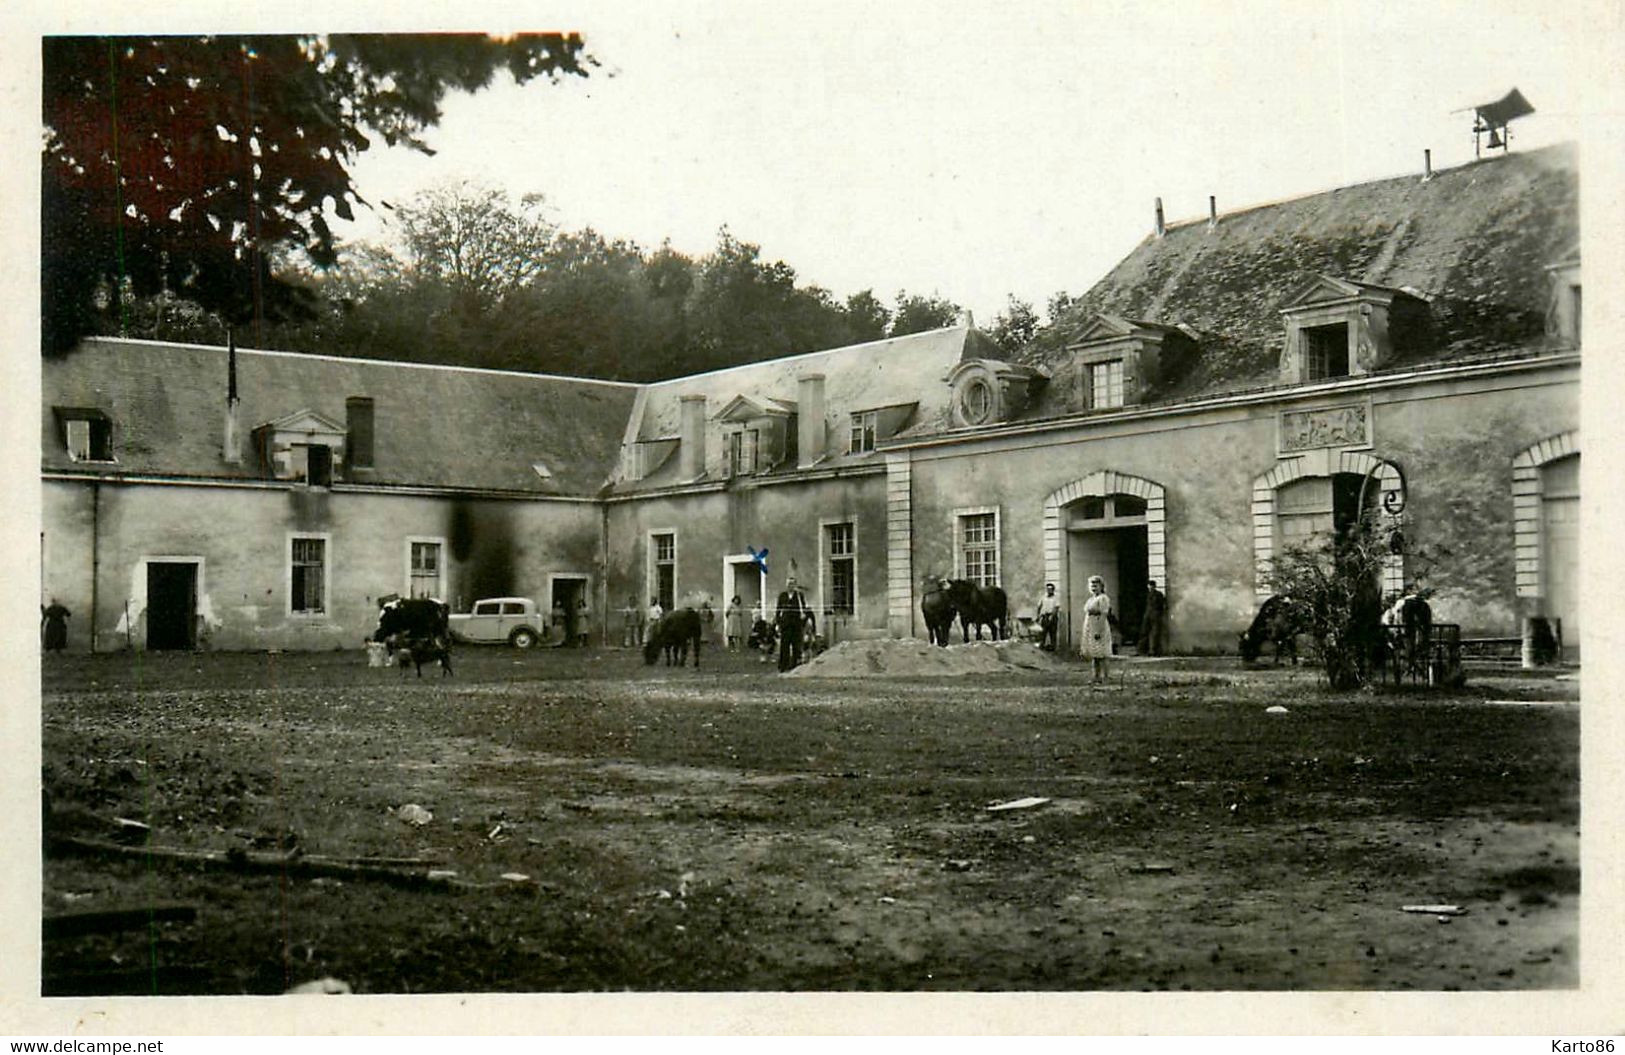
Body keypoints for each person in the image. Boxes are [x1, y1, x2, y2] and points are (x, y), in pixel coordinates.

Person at [1080, 575, 1113, 683]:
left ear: (1101, 586)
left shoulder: (1103, 598)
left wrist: (1098, 630)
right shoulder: (1091, 599)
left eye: (1096, 585)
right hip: (1090, 625)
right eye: (1092, 585)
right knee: (1094, 653)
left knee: (1102, 652)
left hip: (1099, 625)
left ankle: (1106, 676)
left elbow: (1104, 614)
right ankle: (1096, 676)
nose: (1094, 587)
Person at [774, 574, 809, 672]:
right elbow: (778, 610)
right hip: (785, 624)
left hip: (796, 624)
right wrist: (778, 623)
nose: (791, 586)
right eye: (789, 584)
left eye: (793, 584)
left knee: (795, 645)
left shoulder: (799, 596)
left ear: (795, 585)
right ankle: (783, 665)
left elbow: (803, 609)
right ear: (786, 585)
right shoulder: (782, 596)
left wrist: (803, 618)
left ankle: (794, 665)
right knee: (784, 645)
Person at [1140, 579, 1167, 656]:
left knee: (1155, 634)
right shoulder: (1147, 594)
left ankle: (1154, 651)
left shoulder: (1159, 594)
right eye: (1149, 586)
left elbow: (1162, 605)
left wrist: (1160, 614)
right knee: (1145, 632)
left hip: (1155, 616)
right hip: (1148, 615)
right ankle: (1145, 650)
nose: (1150, 587)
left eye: (1152, 586)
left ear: (1154, 586)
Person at [1035, 582, 1060, 651]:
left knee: (1052, 632)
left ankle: (1053, 646)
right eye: (1047, 589)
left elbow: (1056, 608)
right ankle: (1042, 644)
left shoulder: (1056, 598)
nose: (1049, 590)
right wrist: (1038, 616)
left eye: (1050, 589)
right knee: (1043, 631)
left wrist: (1052, 616)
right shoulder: (1043, 597)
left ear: (1053, 590)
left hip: (1052, 616)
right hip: (1044, 616)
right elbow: (1039, 606)